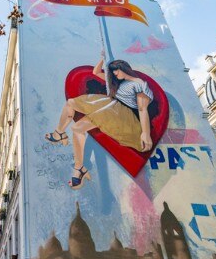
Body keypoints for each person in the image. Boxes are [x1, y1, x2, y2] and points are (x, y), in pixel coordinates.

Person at [45, 53, 153, 189]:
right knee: (77, 128)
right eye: (112, 71)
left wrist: (146, 133)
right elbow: (96, 72)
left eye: (116, 70)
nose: (114, 73)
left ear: (124, 68)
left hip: (122, 117)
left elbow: (143, 110)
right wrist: (103, 57)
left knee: (73, 103)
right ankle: (79, 169)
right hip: (109, 111)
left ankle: (59, 134)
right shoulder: (117, 83)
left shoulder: (139, 84)